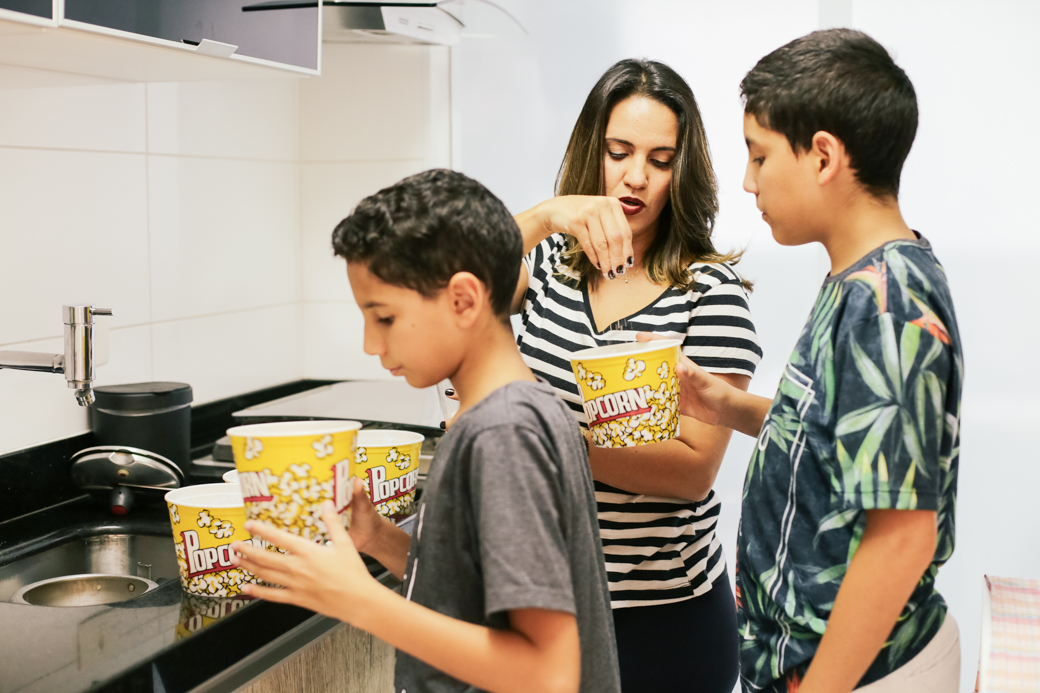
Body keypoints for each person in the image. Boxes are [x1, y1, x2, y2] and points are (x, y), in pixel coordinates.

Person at [645, 29, 963, 693]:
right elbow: (841, 434)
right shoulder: (859, 279)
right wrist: (727, 405)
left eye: (759, 156)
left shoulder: (887, 304)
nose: (748, 180)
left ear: (822, 156)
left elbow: (902, 537)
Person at [230, 169, 621, 693]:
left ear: (463, 300)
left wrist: (360, 600)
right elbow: (469, 593)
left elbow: (547, 674)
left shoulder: (502, 434)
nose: (371, 344)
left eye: (384, 317)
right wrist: (378, 538)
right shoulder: (527, 411)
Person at [512, 59, 762, 692]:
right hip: (545, 604)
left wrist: (540, 438)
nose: (634, 177)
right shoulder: (547, 264)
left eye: (659, 159)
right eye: (619, 152)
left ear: (683, 169)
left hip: (664, 620)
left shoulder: (709, 290)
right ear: (593, 151)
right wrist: (544, 217)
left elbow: (692, 470)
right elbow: (442, 285)